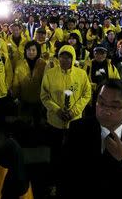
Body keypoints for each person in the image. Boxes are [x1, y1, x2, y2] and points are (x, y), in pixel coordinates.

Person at [61, 79, 122, 199]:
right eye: (101, 103)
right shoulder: (78, 128)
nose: (105, 111)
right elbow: (65, 171)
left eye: (114, 106)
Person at [40, 45, 92, 193]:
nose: (64, 59)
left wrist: (74, 111)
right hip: (55, 122)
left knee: (73, 154)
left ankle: (71, 181)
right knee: (55, 154)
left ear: (73, 58)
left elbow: (86, 94)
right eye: (62, 56)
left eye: (68, 56)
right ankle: (53, 183)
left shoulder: (81, 75)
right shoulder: (50, 74)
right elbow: (44, 96)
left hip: (74, 123)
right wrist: (57, 110)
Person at [12, 41, 47, 128]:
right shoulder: (20, 63)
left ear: (37, 51)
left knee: (37, 122)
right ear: (25, 51)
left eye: (33, 50)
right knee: (25, 122)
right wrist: (15, 95)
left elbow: (46, 82)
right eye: (28, 50)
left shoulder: (43, 64)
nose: (31, 52)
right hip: (24, 98)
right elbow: (16, 82)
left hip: (38, 99)